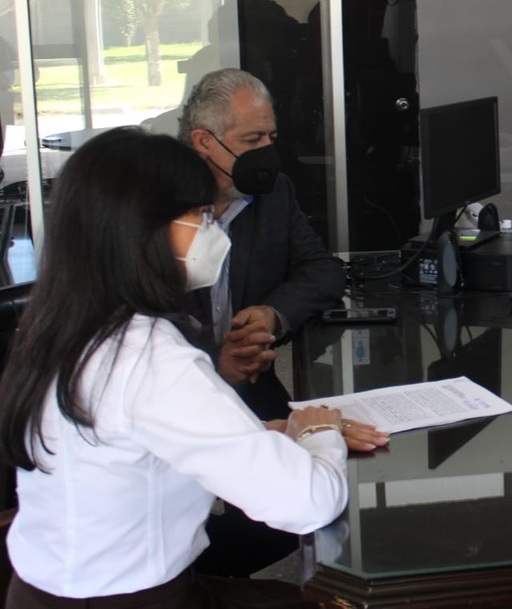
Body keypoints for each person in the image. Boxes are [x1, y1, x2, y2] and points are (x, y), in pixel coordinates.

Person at [0, 127, 348, 607]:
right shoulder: (151, 358)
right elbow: (308, 503)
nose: (213, 231)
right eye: (202, 215)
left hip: (37, 592)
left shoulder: (52, 327)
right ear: (145, 230)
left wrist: (268, 433)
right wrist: (321, 433)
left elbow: (132, 441)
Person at [177, 67, 388, 450]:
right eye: (252, 139)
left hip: (258, 394)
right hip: (179, 405)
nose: (267, 152)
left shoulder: (274, 193)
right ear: (204, 141)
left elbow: (323, 270)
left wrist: (272, 314)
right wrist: (217, 364)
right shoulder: (159, 212)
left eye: (271, 138)